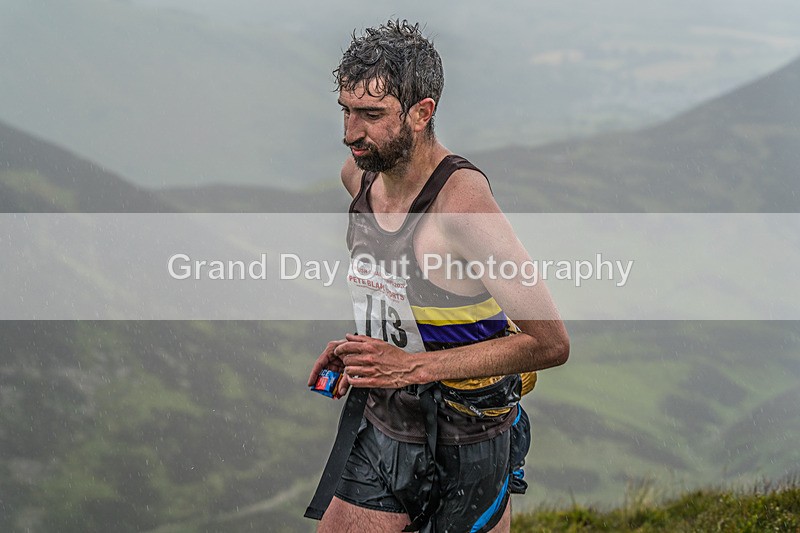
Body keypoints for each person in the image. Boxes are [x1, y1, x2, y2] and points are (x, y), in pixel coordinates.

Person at [306, 20, 569, 533]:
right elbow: (402, 291)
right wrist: (366, 345)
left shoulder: (462, 205)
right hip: (388, 418)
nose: (349, 132)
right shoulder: (357, 177)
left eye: (371, 114)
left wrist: (409, 368)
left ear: (422, 113)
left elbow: (550, 343)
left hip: (470, 434)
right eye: (346, 109)